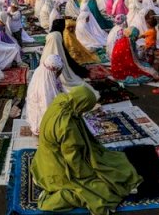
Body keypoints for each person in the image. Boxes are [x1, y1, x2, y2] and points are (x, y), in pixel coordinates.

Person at [30, 86, 143, 214]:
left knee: (103, 164)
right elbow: (73, 159)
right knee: (97, 188)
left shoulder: (61, 101)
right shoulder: (67, 126)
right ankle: (51, 198)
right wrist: (87, 175)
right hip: (57, 166)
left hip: (43, 159)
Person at [25, 54, 65, 135]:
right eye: (58, 71)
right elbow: (46, 106)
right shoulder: (46, 87)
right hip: (43, 115)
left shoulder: (40, 71)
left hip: (37, 104)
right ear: (53, 70)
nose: (59, 73)